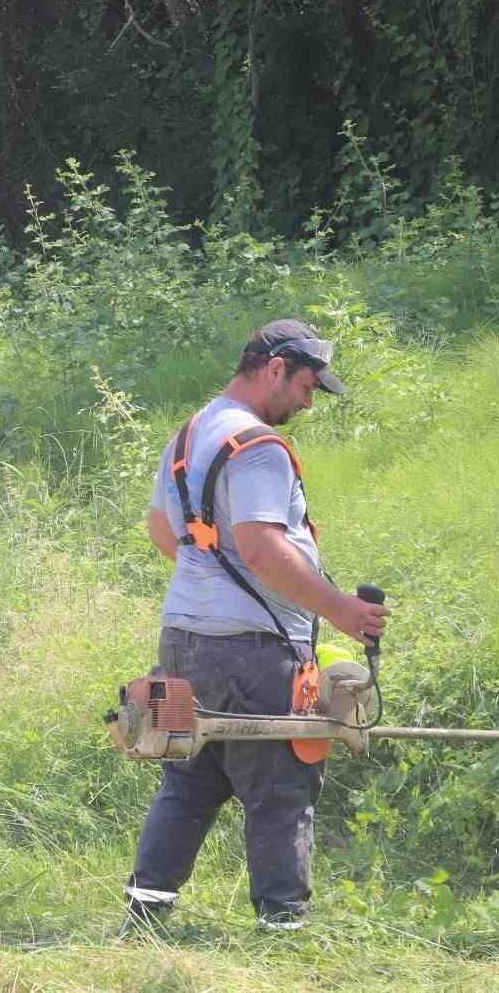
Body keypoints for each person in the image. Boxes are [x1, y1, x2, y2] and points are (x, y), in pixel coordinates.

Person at [122, 319, 391, 934]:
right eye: (305, 386)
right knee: (282, 785)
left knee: (190, 777)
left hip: (185, 640)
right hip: (255, 651)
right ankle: (283, 931)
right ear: (274, 369)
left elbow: (165, 531)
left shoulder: (190, 435)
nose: (308, 400)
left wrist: (215, 583)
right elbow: (263, 547)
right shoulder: (258, 446)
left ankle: (146, 917)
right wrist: (341, 611)